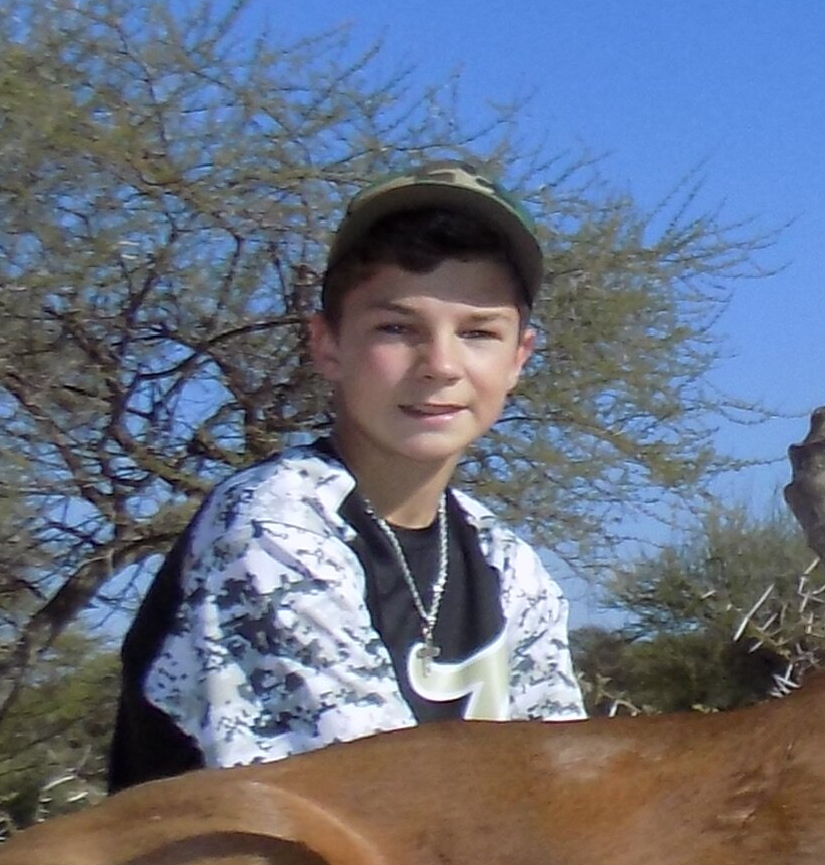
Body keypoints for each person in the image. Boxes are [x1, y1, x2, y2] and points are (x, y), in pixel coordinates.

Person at [108, 165, 587, 787]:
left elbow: (563, 789)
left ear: (519, 357)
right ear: (327, 345)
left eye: (478, 333)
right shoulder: (272, 526)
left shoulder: (508, 565)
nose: (440, 365)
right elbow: (375, 804)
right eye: (396, 328)